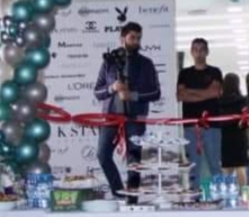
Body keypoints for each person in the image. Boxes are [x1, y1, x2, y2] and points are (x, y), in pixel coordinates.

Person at [93, 22, 161, 199]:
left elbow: (156, 92)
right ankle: (119, 194)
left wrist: (133, 96)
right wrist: (112, 88)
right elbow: (97, 92)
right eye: (132, 38)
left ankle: (132, 200)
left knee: (134, 163)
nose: (136, 41)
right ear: (122, 38)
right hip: (110, 118)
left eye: (139, 38)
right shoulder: (108, 62)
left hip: (134, 119)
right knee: (102, 155)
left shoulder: (146, 63)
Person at [177, 38, 223, 188]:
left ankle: (220, 195)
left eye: (202, 49)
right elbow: (181, 95)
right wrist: (205, 92)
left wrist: (191, 92)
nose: (199, 53)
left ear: (207, 51)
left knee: (215, 165)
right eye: (195, 49)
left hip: (212, 126)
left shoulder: (215, 72)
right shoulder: (184, 73)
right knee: (193, 167)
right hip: (190, 126)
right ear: (191, 52)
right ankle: (194, 197)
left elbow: (215, 92)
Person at [219, 73, 249, 187]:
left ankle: (226, 191)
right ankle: (243, 192)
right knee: (240, 166)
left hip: (225, 136)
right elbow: (247, 119)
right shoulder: (242, 100)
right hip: (239, 135)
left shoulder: (219, 101)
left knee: (226, 167)